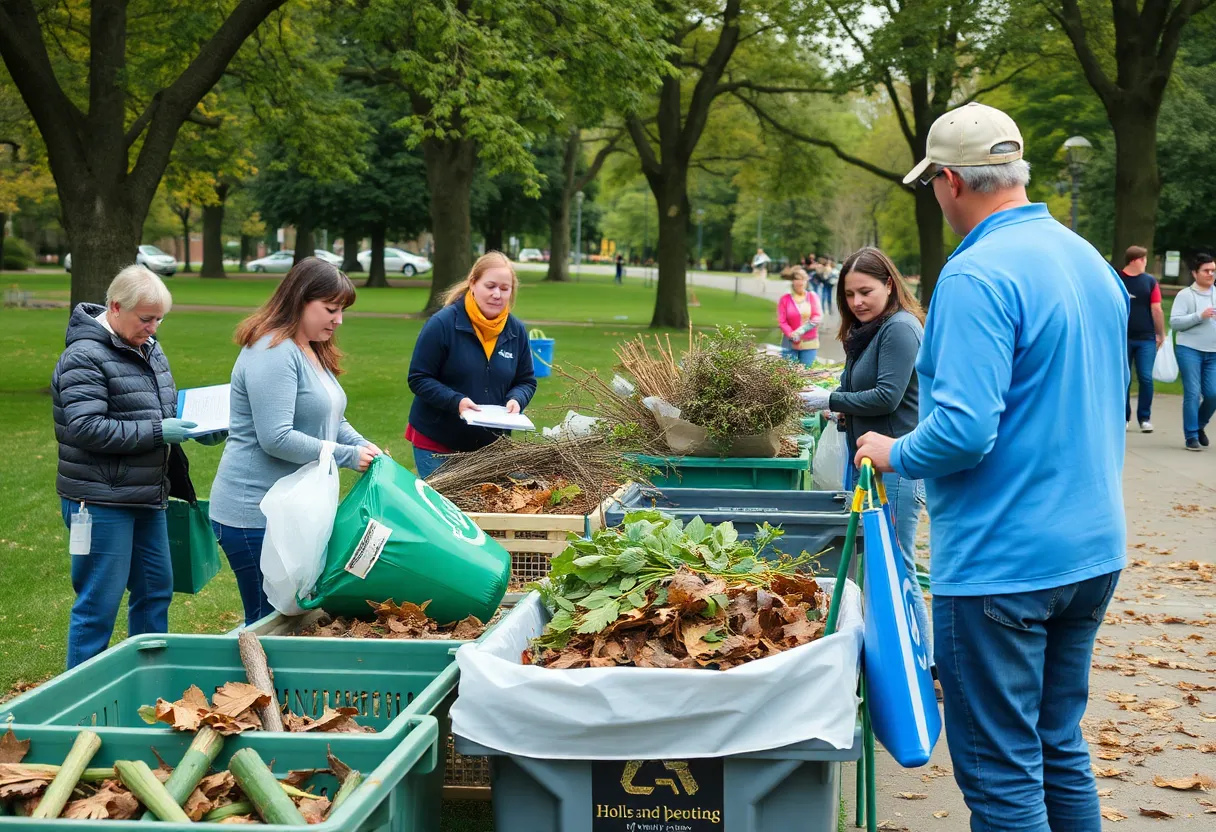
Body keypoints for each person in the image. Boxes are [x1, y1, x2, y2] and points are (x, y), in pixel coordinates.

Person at [854, 102, 1128, 832]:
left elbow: (964, 433)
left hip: (1006, 561)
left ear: (949, 181)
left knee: (1004, 775)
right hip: (1091, 550)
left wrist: (893, 451)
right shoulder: (1087, 260)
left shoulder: (977, 275)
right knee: (1056, 747)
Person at [209, 258, 382, 625]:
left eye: (342, 311)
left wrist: (364, 445)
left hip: (289, 510)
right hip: (253, 513)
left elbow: (332, 416)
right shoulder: (272, 351)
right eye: (330, 310)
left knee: (288, 620)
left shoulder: (310, 346)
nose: (338, 320)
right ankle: (242, 685)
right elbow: (276, 437)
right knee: (266, 623)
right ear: (300, 300)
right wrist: (347, 455)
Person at [51, 266, 199, 667]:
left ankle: (147, 685)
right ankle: (77, 703)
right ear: (116, 307)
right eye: (146, 319)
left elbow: (156, 407)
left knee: (155, 592)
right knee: (99, 602)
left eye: (159, 319)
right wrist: (158, 431)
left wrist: (195, 426)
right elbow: (85, 428)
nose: (153, 328)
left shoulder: (147, 345)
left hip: (147, 494)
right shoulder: (83, 355)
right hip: (99, 500)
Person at [803, 247, 930, 657]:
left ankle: (924, 664)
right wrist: (841, 414)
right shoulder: (870, 332)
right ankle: (887, 655)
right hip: (865, 464)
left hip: (894, 468)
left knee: (896, 566)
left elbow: (887, 398)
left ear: (889, 285)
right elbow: (867, 395)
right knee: (875, 568)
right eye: (850, 294)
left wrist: (832, 398)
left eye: (866, 291)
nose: (857, 302)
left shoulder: (899, 328)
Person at [407, 251, 538, 479]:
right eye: (490, 286)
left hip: (491, 448)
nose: (497, 294)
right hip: (438, 445)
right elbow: (419, 378)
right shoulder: (442, 324)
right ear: (473, 283)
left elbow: (526, 380)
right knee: (444, 512)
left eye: (504, 289)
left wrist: (517, 399)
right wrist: (456, 401)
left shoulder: (516, 330)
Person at [1169, 252, 1216, 450]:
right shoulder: (1185, 295)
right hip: (1189, 350)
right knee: (1193, 393)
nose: (1211, 274)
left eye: (1213, 270)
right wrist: (1199, 315)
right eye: (1206, 270)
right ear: (1195, 273)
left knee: (1213, 394)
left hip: (1213, 352)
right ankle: (1191, 436)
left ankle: (1199, 425)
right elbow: (1174, 322)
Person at [1118, 245, 1165, 432]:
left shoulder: (1150, 282)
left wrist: (1160, 333)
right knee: (1124, 378)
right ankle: (1123, 416)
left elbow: (1157, 308)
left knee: (1146, 377)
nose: (1146, 263)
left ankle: (1144, 417)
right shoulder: (1118, 279)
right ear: (1135, 260)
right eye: (1144, 259)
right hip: (1122, 337)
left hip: (1145, 337)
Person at [777, 268, 823, 365]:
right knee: (787, 375)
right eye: (797, 279)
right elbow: (782, 321)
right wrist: (791, 334)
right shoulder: (785, 299)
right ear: (792, 281)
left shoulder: (812, 296)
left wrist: (800, 331)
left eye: (803, 279)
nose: (801, 282)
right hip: (789, 343)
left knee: (806, 374)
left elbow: (816, 317)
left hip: (809, 343)